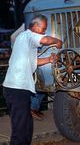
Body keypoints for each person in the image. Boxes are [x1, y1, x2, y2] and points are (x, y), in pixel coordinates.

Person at [3, 14, 62, 145]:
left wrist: (49, 60)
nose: (44, 31)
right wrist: (57, 41)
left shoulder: (26, 42)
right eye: (43, 28)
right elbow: (46, 40)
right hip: (16, 88)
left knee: (27, 127)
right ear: (35, 26)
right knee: (20, 129)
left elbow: (33, 62)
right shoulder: (27, 35)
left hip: (20, 89)